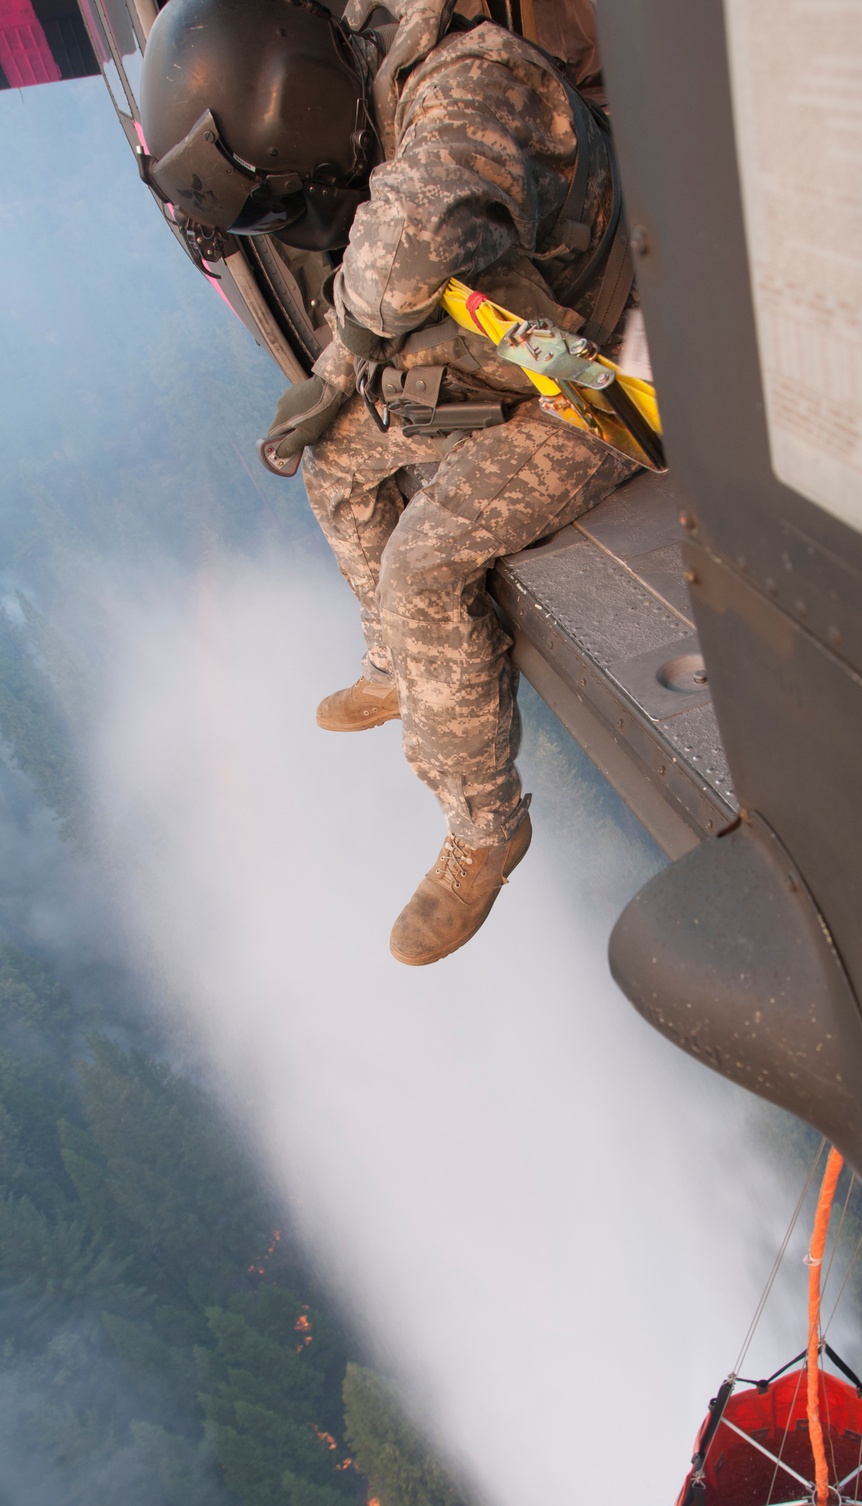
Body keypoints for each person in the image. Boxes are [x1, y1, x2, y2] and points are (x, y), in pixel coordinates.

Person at [139, 0, 637, 965]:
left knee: (423, 569)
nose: (301, 215)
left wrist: (335, 369)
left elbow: (401, 255)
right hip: (525, 329)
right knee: (336, 467)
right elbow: (395, 269)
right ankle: (397, 666)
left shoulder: (466, 95)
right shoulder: (376, 67)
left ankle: (485, 828)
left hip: (604, 371)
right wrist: (335, 391)